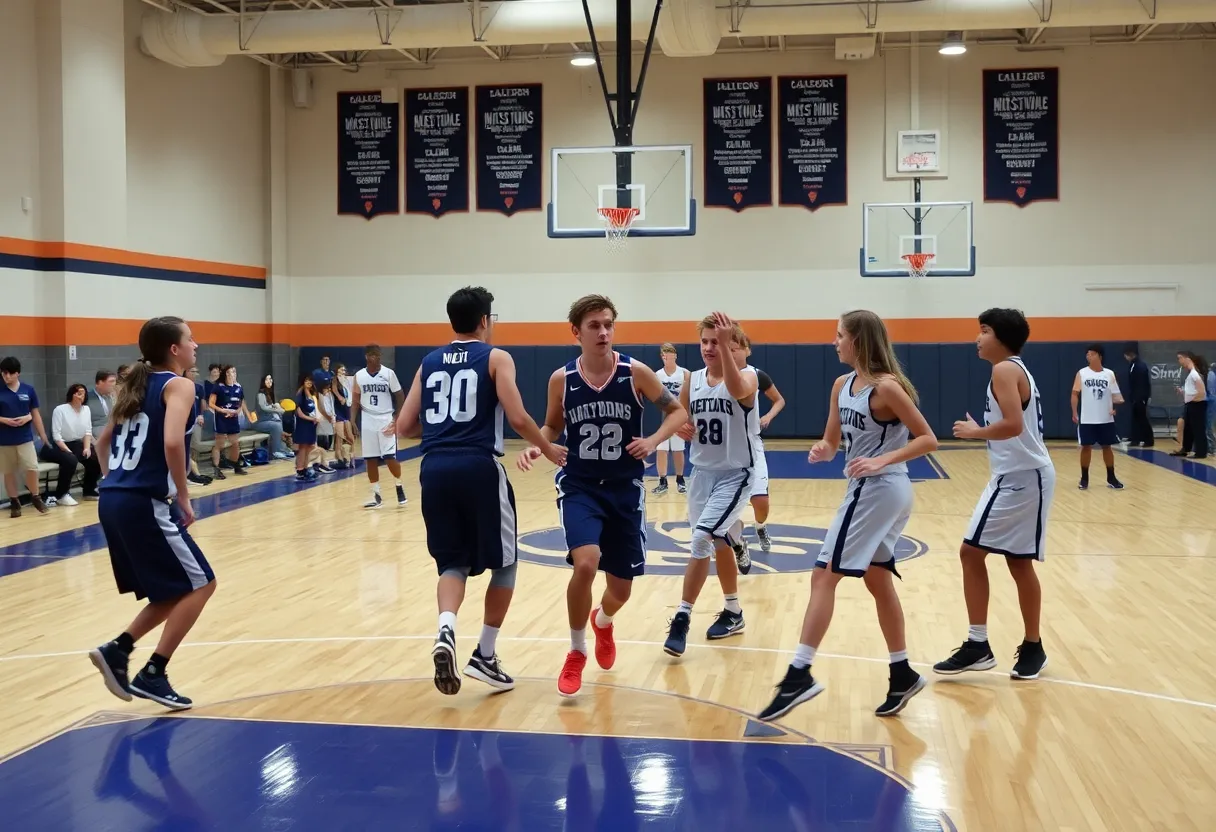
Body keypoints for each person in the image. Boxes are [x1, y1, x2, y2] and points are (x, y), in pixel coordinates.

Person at [757, 311, 936, 721]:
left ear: (859, 341)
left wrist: (881, 460)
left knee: (823, 575)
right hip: (874, 488)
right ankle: (902, 671)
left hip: (881, 488)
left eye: (840, 336)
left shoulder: (886, 388)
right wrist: (823, 450)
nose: (834, 342)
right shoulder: (842, 385)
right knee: (877, 579)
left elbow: (928, 438)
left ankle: (799, 673)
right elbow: (833, 440)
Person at [395, 287, 565, 695]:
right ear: (485, 320)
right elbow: (520, 417)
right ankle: (485, 655)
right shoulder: (496, 357)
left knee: (451, 563)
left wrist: (441, 429)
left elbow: (404, 427)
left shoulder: (428, 362)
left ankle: (445, 629)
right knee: (505, 563)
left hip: (433, 469)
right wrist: (548, 448)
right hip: (478, 467)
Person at [517, 295, 687, 697]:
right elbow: (552, 427)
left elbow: (678, 412)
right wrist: (540, 445)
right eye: (594, 325)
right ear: (576, 332)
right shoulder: (562, 379)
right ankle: (577, 651)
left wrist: (653, 440)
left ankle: (604, 621)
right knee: (586, 563)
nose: (604, 332)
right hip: (580, 485)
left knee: (621, 589)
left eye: (608, 324)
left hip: (625, 489)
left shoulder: (635, 372)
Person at [87, 316, 218, 711]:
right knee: (202, 583)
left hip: (113, 499)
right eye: (190, 340)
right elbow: (173, 443)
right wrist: (183, 494)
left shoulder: (134, 385)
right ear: (174, 350)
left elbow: (102, 442)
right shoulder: (180, 385)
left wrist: (115, 481)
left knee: (172, 589)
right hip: (143, 501)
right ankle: (153, 672)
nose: (196, 345)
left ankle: (118, 649)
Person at [936, 308, 1056, 681]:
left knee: (972, 552)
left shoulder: (1004, 369)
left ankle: (980, 644)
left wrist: (974, 432)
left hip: (1023, 476)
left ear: (1001, 337)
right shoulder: (1014, 368)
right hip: (1017, 475)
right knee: (1014, 562)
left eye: (983, 331)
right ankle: (1025, 646)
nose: (977, 338)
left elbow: (1013, 425)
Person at [662, 313, 757, 658]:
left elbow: (736, 390)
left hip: (735, 474)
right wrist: (680, 426)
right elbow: (678, 415)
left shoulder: (747, 377)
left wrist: (727, 348)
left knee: (701, 538)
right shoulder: (693, 379)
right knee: (716, 542)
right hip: (701, 474)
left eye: (715, 341)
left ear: (731, 345)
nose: (707, 347)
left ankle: (682, 617)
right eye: (703, 341)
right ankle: (733, 611)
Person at [727, 335, 787, 572]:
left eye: (736, 349)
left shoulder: (757, 375)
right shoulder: (715, 375)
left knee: (760, 501)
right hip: (726, 448)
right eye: (728, 349)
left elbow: (779, 400)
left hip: (751, 443)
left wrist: (769, 416)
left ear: (747, 351)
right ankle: (739, 545)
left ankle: (760, 526)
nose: (732, 353)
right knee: (728, 508)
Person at [352, 344, 406, 508]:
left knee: (390, 457)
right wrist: (352, 421)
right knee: (370, 459)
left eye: (379, 355)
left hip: (385, 418)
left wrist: (397, 417)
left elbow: (400, 395)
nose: (378, 358)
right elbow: (355, 400)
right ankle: (376, 495)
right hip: (367, 419)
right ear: (367, 357)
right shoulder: (359, 375)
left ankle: (399, 485)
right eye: (374, 355)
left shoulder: (389, 373)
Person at [0, 356, 50, 517]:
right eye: (3, 373)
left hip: (25, 438)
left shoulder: (28, 390)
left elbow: (35, 414)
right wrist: (4, 420)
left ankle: (35, 496)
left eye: (10, 373)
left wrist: (43, 435)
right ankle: (15, 501)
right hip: (4, 440)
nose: (6, 376)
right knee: (9, 472)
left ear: (18, 373)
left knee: (32, 468)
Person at [1070, 344, 1124, 490]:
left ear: (1100, 356)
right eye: (1087, 354)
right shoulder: (1082, 373)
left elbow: (1117, 397)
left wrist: (1115, 408)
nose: (1089, 356)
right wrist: (1074, 412)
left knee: (1107, 447)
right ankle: (1084, 478)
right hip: (1087, 418)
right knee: (1085, 447)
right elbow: (1075, 393)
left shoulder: (1109, 374)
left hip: (1105, 419)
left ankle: (1111, 477)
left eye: (1092, 354)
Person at [652, 343, 690, 495]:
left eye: (669, 354)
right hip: (663, 415)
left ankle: (680, 480)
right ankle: (662, 481)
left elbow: (688, 396)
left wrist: (685, 416)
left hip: (679, 415)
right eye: (663, 354)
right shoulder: (657, 375)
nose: (666, 357)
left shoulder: (685, 374)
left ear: (675, 355)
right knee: (661, 448)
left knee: (678, 448)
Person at [1172, 351, 1209, 459]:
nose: (1179, 361)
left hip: (1197, 405)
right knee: (1188, 428)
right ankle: (1185, 449)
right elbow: (1192, 390)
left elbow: (1202, 392)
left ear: (1187, 358)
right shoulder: (1191, 373)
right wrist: (1183, 393)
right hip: (1191, 404)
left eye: (1180, 358)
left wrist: (1192, 400)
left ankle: (1201, 453)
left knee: (1198, 429)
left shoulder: (1194, 374)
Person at [1123, 344, 1153, 448]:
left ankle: (1148, 440)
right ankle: (1135, 439)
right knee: (1136, 418)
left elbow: (1142, 383)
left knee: (1142, 419)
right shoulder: (1133, 365)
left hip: (1140, 397)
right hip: (1135, 397)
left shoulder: (1140, 366)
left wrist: (1140, 397)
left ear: (1129, 355)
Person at [87, 370, 117, 439]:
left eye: (115, 381)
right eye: (111, 381)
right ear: (100, 382)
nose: (114, 384)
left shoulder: (111, 397)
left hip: (112, 434)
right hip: (95, 436)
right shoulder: (88, 398)